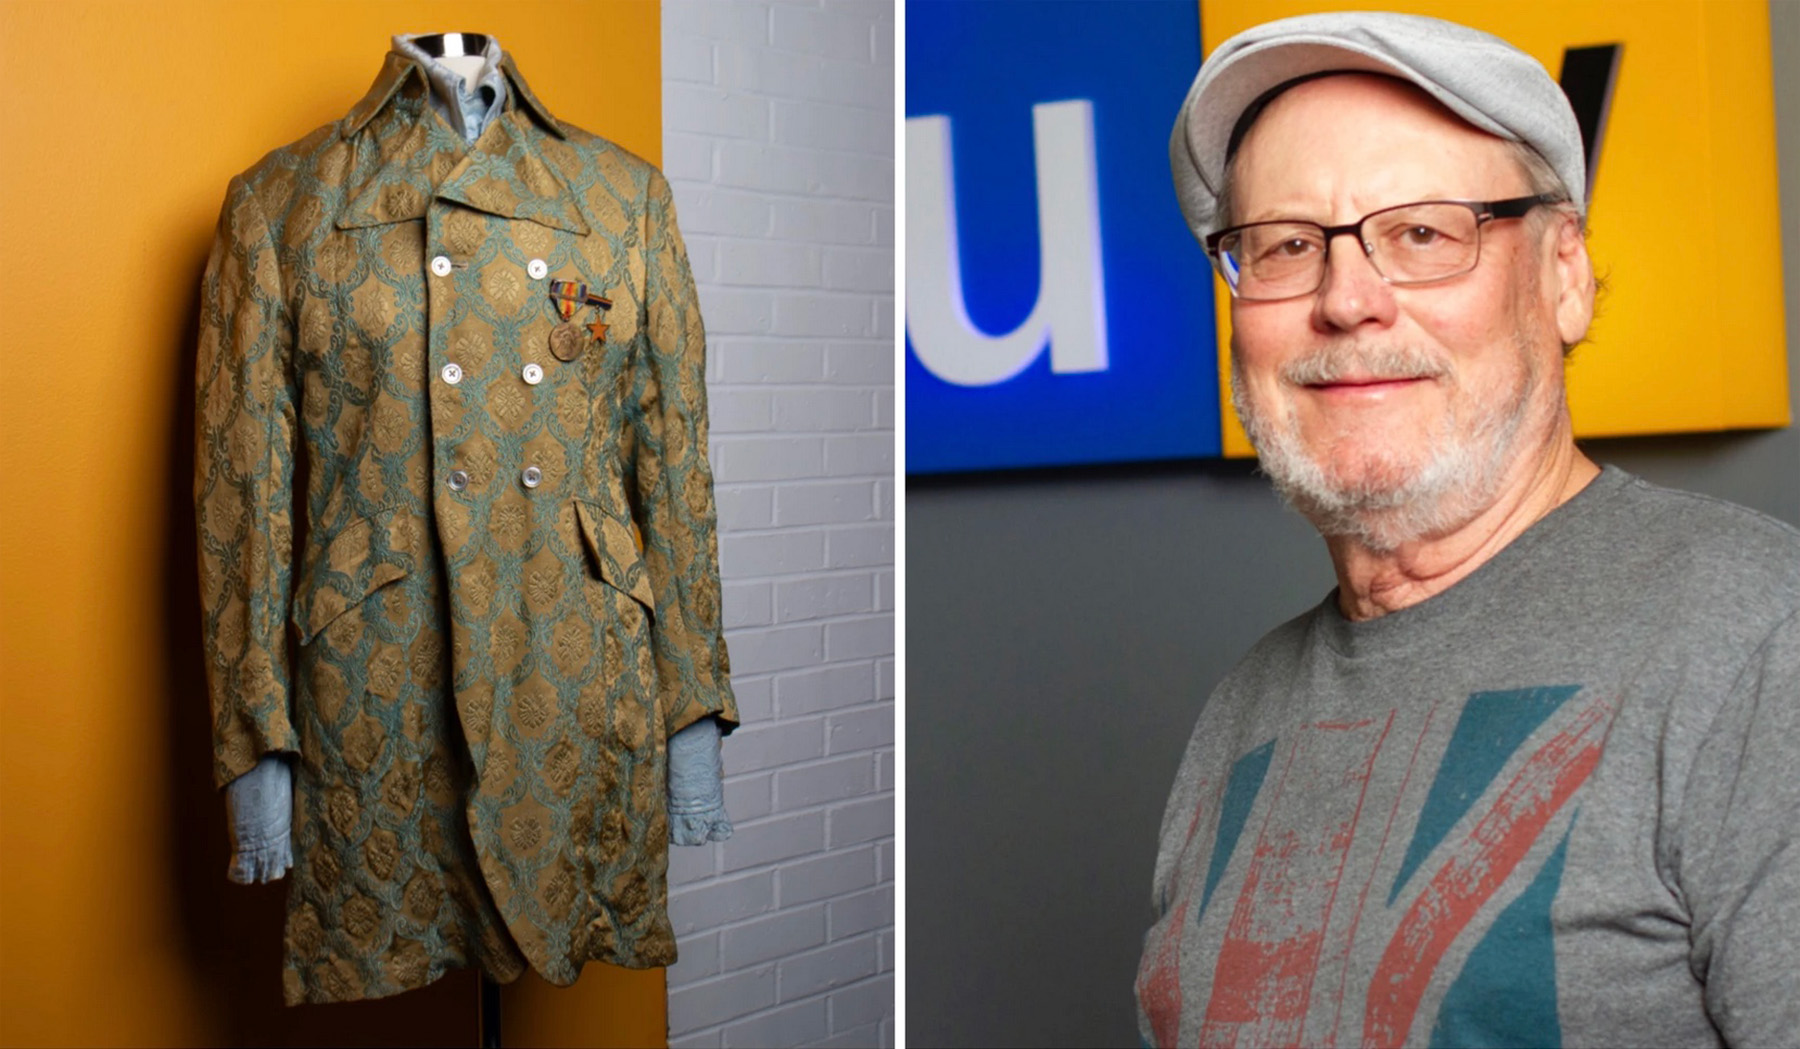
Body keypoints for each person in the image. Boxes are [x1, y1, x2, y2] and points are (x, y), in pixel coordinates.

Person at [1135, 12, 1799, 1047]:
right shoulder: (1244, 709)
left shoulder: (1763, 639)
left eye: (1424, 233)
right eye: (1285, 246)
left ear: (1565, 275)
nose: (1348, 299)